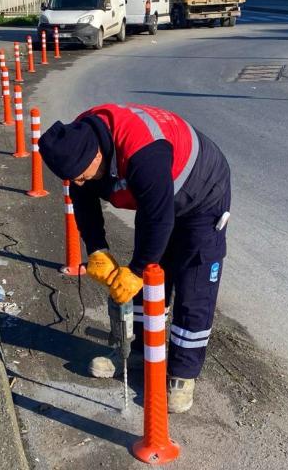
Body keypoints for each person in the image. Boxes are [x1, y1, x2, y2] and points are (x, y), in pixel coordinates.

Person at [39, 104, 231, 414]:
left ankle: (182, 374)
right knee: (150, 271)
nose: (77, 182)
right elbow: (84, 201)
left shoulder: (143, 151)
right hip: (158, 197)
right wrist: (98, 249)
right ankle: (140, 350)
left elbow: (159, 219)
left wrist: (138, 270)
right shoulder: (79, 143)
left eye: (80, 175)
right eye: (71, 178)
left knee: (192, 286)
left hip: (202, 194)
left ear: (98, 156)